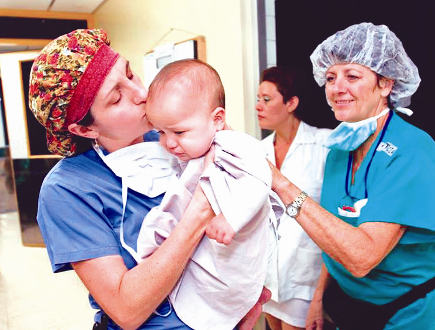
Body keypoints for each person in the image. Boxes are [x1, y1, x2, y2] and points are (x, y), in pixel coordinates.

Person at [28, 29, 269, 330]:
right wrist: (201, 208)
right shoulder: (68, 189)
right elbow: (127, 311)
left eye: (130, 73)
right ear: (84, 129)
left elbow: (254, 191)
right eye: (117, 98)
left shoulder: (179, 136)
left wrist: (244, 296)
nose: (141, 93)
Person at [268, 22, 435, 330]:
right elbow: (335, 232)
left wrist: (281, 184)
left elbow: (361, 257)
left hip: (405, 311)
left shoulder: (411, 150)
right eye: (330, 77)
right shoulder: (338, 150)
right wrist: (319, 297)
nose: (337, 87)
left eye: (353, 76)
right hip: (348, 307)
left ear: (385, 84)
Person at [137, 59, 278, 330]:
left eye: (178, 131)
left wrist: (231, 218)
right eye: (161, 132)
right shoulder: (192, 150)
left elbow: (259, 179)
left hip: (233, 240)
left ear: (217, 119)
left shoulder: (233, 145)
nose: (169, 142)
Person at [255, 66, 331, 330]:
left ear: (291, 103)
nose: (258, 106)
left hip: (305, 277)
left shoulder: (325, 145)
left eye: (267, 99)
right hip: (268, 278)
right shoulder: (258, 151)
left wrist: (320, 298)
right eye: (258, 99)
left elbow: (334, 221)